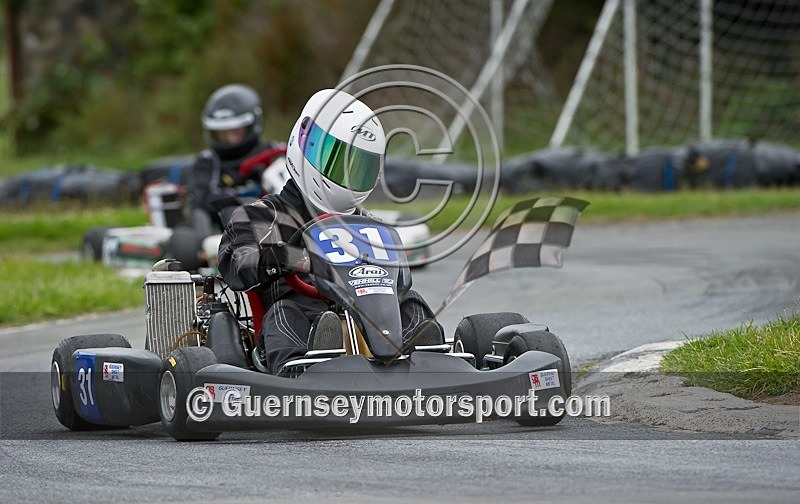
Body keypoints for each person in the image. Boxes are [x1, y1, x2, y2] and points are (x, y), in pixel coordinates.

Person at [217, 89, 443, 375]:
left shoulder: (369, 226)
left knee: (410, 303)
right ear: (304, 145)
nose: (347, 178)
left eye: (358, 168)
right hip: (299, 322)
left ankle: (430, 362)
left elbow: (399, 282)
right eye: (337, 162)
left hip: (368, 324)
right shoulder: (261, 215)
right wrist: (291, 258)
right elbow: (237, 265)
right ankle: (302, 371)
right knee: (287, 313)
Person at [186, 83, 287, 235]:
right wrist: (244, 197)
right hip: (229, 234)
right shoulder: (208, 162)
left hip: (282, 220)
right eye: (222, 133)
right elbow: (203, 199)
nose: (228, 139)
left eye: (234, 131)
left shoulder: (275, 152)